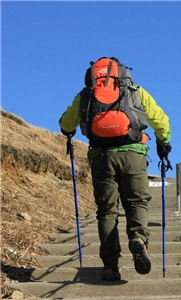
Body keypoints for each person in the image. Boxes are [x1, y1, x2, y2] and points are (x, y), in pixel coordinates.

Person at [59, 57, 172, 281]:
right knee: (136, 202)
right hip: (133, 155)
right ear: (122, 73)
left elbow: (66, 124)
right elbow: (161, 120)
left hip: (102, 157)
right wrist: (163, 142)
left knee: (107, 211)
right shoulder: (135, 90)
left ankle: (111, 266)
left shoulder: (86, 94)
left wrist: (69, 130)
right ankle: (139, 239)